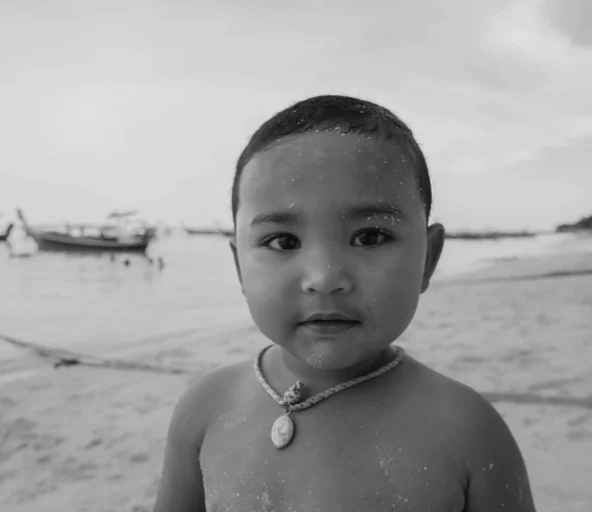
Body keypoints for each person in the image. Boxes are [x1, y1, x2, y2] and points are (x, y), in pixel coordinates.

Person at [153, 96, 536, 511]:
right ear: (239, 267)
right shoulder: (205, 408)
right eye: (283, 241)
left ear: (428, 258)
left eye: (370, 237)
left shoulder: (469, 432)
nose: (325, 279)